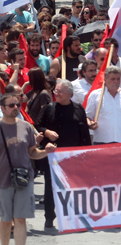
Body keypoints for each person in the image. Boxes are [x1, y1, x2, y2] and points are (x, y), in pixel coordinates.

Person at [0, 93, 56, 245]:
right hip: (1, 181)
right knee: (6, 220)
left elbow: (32, 153)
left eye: (17, 104)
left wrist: (45, 152)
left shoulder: (27, 127)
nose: (16, 107)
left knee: (20, 219)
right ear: (2, 108)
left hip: (23, 180)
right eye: (11, 105)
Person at [35, 80, 91, 229]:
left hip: (73, 155)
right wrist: (46, 132)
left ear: (70, 94)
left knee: (73, 187)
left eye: (60, 91)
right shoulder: (49, 108)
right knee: (51, 187)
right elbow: (37, 125)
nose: (57, 94)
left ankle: (73, 218)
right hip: (54, 155)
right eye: (56, 91)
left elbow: (84, 132)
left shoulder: (79, 109)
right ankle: (49, 217)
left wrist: (87, 153)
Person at [85, 65, 121, 144]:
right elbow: (87, 116)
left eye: (118, 79)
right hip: (101, 140)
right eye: (112, 79)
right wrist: (90, 123)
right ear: (105, 79)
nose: (116, 81)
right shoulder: (95, 95)